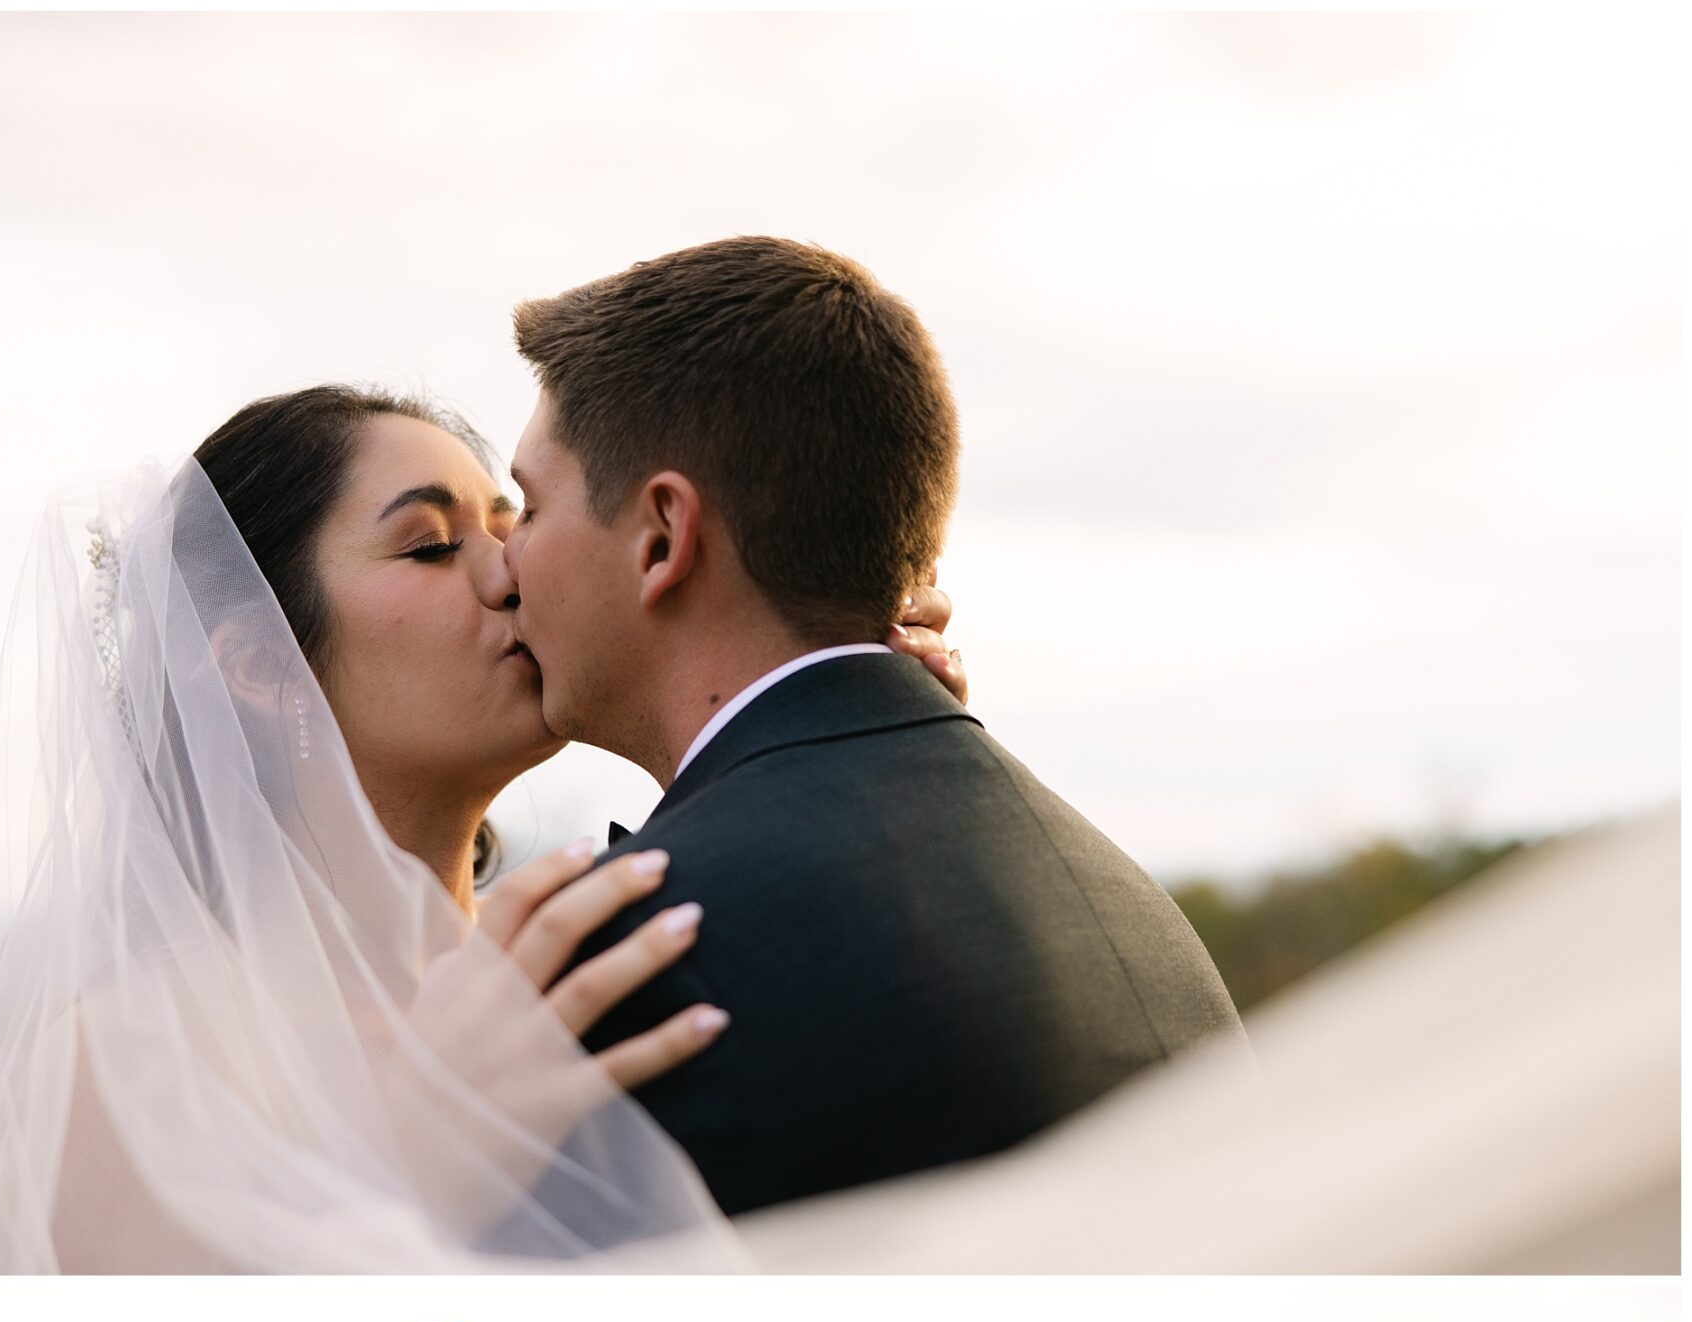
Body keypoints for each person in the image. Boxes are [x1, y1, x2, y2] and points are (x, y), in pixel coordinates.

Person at [0, 383, 963, 1273]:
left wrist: (841, 718)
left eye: (511, 530)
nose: (509, 574)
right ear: (252, 664)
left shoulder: (578, 952)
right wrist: (414, 1172)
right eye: (430, 546)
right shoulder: (126, 1067)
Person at [507, 237, 1244, 1218]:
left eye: (526, 503)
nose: (502, 562)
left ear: (659, 538)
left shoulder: (629, 962)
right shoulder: (1136, 907)